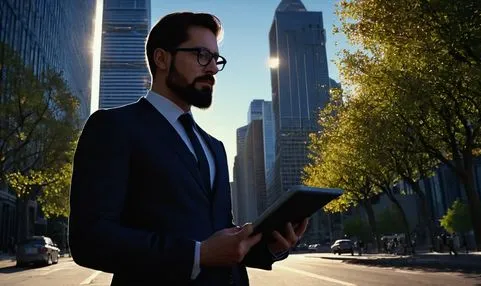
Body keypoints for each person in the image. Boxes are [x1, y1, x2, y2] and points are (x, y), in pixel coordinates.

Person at [68, 12, 308, 286]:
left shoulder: (214, 147)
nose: (213, 69)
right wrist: (196, 254)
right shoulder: (112, 127)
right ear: (162, 59)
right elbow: (90, 239)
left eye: (216, 59)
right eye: (201, 55)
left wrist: (272, 246)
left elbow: (220, 240)